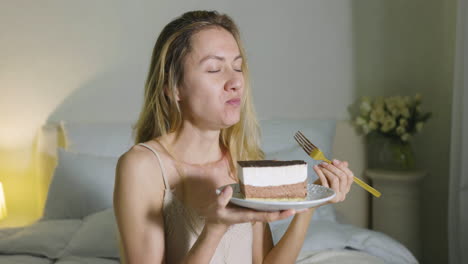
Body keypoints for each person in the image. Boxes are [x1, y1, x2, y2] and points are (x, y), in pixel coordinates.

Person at [113, 10, 354, 264]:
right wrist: (214, 229)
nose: (236, 81)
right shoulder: (142, 166)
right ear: (173, 87)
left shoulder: (243, 160)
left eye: (237, 67)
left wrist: (308, 204)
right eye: (215, 69)